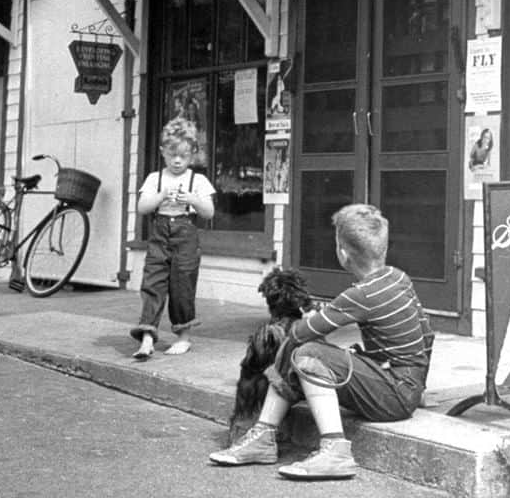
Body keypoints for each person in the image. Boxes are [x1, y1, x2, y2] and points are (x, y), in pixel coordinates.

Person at [209, 203, 434, 481]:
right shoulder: (398, 278)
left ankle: (332, 450)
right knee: (311, 351)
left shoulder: (360, 294)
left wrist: (312, 321)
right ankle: (264, 435)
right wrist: (419, 387)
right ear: (384, 247)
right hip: (403, 386)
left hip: (393, 395)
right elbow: (428, 335)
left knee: (306, 351)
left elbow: (299, 334)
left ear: (342, 252)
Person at [129, 120, 216, 361]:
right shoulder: (155, 178)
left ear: (192, 155)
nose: (177, 161)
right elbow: (142, 207)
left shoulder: (197, 180)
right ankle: (147, 335)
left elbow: (209, 212)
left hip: (185, 232)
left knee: (182, 284)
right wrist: (161, 195)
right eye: (172, 155)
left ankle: (184, 337)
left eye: (183, 156)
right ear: (162, 152)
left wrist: (193, 199)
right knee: (153, 281)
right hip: (160, 233)